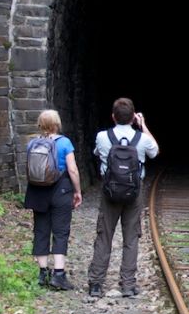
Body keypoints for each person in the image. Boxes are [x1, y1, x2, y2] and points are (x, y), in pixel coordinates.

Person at [88, 97, 159, 298]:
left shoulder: (102, 136)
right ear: (133, 117)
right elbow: (155, 151)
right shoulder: (142, 139)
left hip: (109, 192)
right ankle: (128, 285)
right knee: (131, 237)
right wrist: (143, 125)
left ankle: (96, 284)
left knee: (104, 236)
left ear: (113, 117)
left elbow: (97, 153)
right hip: (134, 193)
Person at [24, 109, 82, 290]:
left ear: (40, 125)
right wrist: (77, 191)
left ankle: (43, 274)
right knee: (60, 231)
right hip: (61, 190)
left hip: (37, 191)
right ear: (57, 124)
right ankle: (58, 274)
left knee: (40, 230)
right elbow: (72, 170)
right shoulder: (64, 142)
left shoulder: (32, 143)